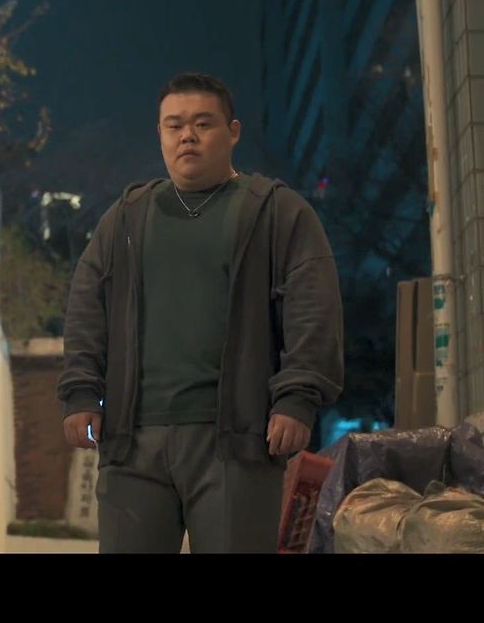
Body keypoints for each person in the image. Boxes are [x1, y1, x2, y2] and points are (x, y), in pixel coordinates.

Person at [58, 72, 343, 553]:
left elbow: (314, 307)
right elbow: (87, 305)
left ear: (233, 132)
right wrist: (81, 390)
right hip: (132, 442)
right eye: (174, 125)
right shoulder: (127, 216)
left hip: (237, 441)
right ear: (160, 133)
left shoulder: (276, 211)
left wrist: (297, 398)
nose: (186, 135)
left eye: (202, 123)